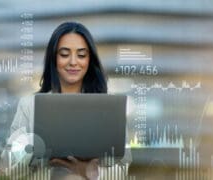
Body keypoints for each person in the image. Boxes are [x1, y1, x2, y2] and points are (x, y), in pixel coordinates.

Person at [8, 22, 131, 180]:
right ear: (54, 58)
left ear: (89, 59)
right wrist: (36, 155)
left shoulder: (109, 108)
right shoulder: (29, 106)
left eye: (81, 55)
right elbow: (12, 168)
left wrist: (91, 172)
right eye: (65, 54)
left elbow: (122, 168)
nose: (73, 62)